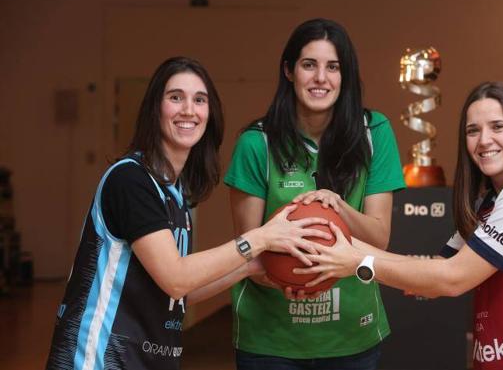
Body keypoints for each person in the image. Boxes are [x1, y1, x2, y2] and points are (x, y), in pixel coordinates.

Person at [298, 81, 503, 369]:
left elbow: (452, 279)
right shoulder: (489, 203)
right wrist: (338, 238)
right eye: (472, 130)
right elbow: (434, 271)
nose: (484, 140)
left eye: (497, 127)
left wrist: (357, 261)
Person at [45, 56, 330, 370]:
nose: (188, 110)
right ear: (155, 108)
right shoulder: (131, 180)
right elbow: (176, 279)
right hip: (96, 360)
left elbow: (180, 293)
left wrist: (255, 267)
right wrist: (259, 238)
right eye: (175, 97)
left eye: (200, 100)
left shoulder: (177, 194)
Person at [224, 19, 405, 369]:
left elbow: (379, 237)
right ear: (289, 71)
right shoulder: (256, 143)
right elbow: (247, 250)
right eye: (309, 65)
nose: (321, 78)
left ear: (345, 75)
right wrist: (288, 280)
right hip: (270, 337)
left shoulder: (375, 132)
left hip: (351, 331)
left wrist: (338, 206)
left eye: (333, 67)